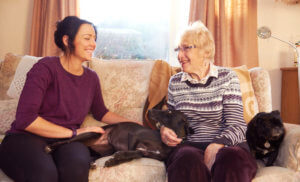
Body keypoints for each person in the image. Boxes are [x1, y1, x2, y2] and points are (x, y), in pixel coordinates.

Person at [0, 16, 139, 182]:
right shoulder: (45, 68)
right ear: (67, 40)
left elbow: (101, 112)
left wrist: (134, 124)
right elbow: (25, 119)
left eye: (94, 39)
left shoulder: (91, 78)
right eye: (87, 38)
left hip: (67, 141)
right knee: (45, 175)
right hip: (25, 138)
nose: (93, 44)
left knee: (76, 168)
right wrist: (74, 132)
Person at [160, 21, 257, 182]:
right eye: (178, 49)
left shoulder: (227, 77)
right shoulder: (175, 82)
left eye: (186, 48)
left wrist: (216, 145)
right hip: (190, 146)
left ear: (205, 51)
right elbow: (171, 120)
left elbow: (237, 125)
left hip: (227, 146)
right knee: (186, 159)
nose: (179, 55)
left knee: (231, 159)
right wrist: (165, 129)